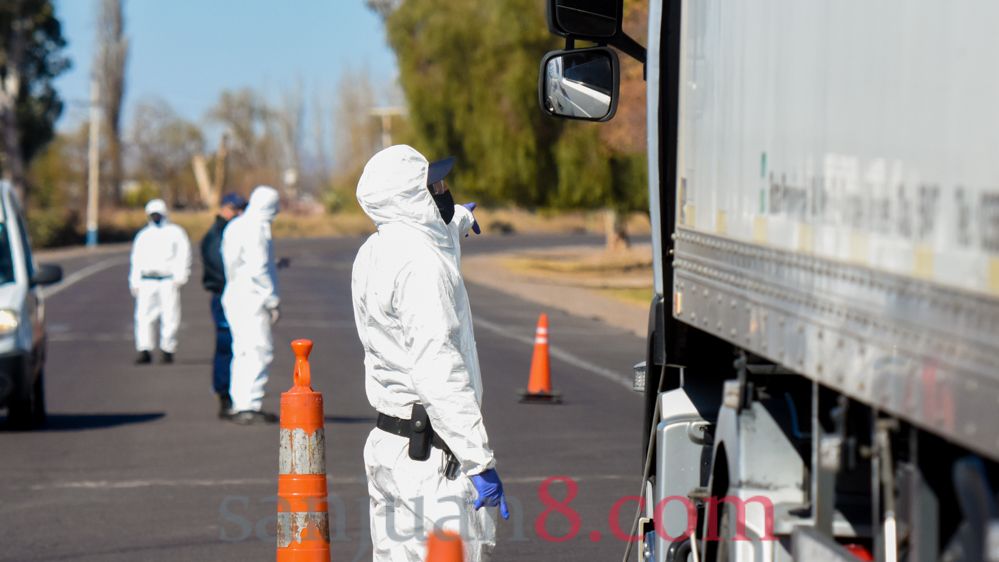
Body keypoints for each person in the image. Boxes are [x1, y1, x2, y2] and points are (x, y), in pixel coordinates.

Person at [351, 145, 507, 562]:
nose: (443, 190)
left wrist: (459, 220)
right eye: (432, 185)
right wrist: (479, 461)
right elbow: (438, 370)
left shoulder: (374, 251)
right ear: (409, 197)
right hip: (434, 461)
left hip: (389, 447)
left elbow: (429, 238)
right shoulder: (423, 267)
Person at [221, 186, 281, 425]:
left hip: (235, 292)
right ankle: (251, 403)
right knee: (258, 349)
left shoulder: (235, 225)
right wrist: (272, 299)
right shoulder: (256, 228)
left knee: (242, 350)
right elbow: (259, 269)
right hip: (253, 296)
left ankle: (240, 402)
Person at [200, 193, 248, 418]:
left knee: (235, 344)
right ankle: (224, 395)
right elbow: (223, 269)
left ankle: (234, 392)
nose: (240, 214)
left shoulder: (229, 232)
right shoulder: (217, 235)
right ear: (225, 209)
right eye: (236, 209)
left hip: (231, 293)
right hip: (224, 294)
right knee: (226, 343)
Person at [129, 199, 192, 365]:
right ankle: (144, 348)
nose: (155, 217)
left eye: (158, 214)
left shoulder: (175, 232)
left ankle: (168, 348)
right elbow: (136, 260)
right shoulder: (143, 236)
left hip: (167, 280)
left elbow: (183, 254)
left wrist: (181, 275)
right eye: (152, 214)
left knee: (170, 315)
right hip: (147, 280)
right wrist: (134, 281)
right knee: (143, 316)